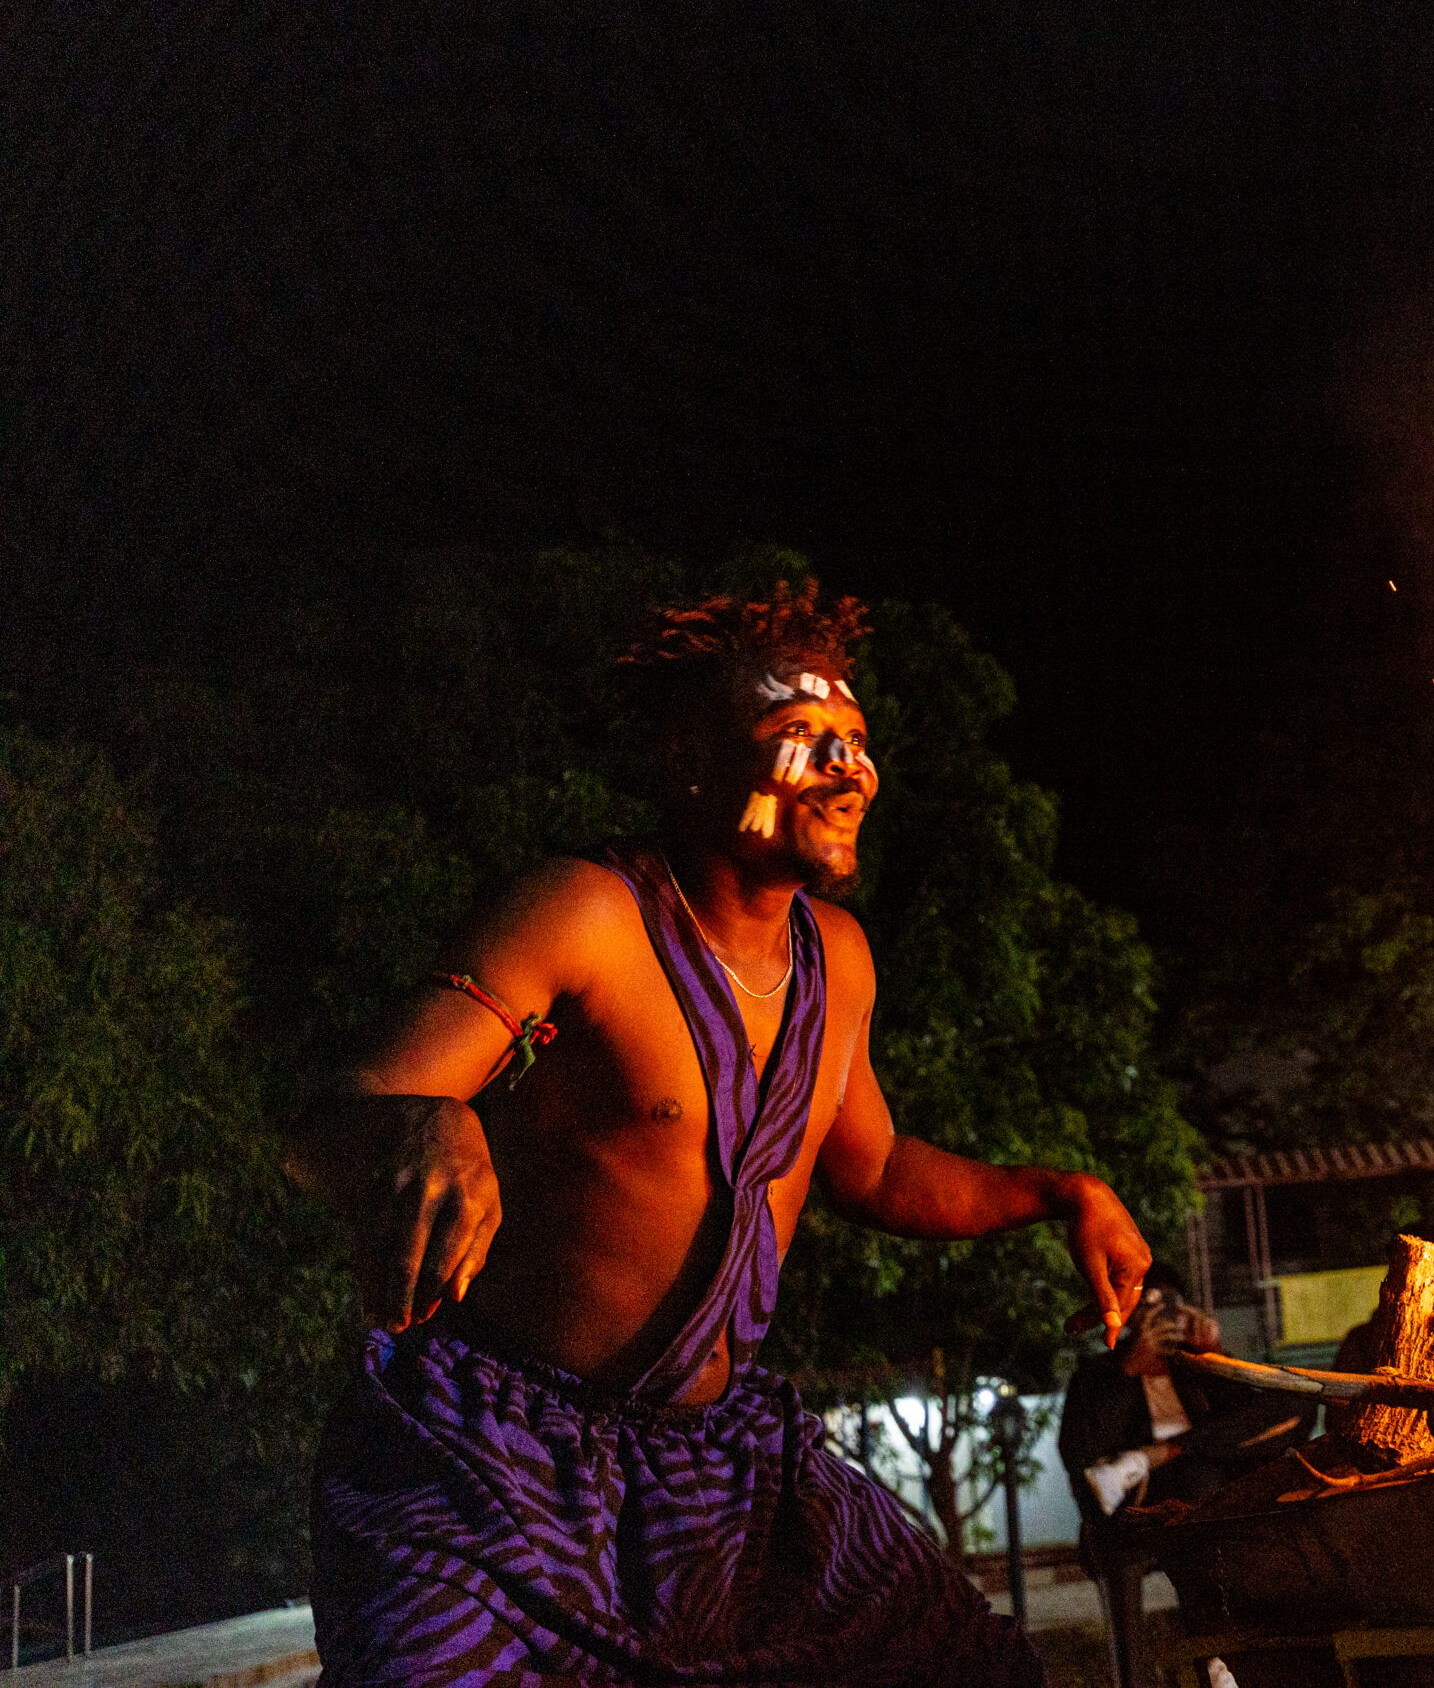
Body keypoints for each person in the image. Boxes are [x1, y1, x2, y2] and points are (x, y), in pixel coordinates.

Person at [285, 583, 1154, 1685]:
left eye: (854, 740)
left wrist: (1060, 1191)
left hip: (725, 1465)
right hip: (499, 1457)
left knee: (973, 1669)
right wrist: (425, 1117)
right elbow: (326, 1121)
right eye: (802, 736)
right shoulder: (586, 914)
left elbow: (876, 1167)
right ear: (691, 761)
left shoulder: (838, 957)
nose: (847, 769)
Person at [1056, 1267, 1310, 1688]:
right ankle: (1216, 1664)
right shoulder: (1099, 1373)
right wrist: (1130, 1368)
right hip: (1137, 1504)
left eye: (1169, 1306)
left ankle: (1161, 1454)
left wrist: (1217, 1356)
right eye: (1147, 1306)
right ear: (1128, 1316)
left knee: (1297, 1404)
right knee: (1200, 1481)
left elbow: (1253, 1422)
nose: (1159, 1317)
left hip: (1207, 1490)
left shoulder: (1194, 1365)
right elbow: (1080, 1453)